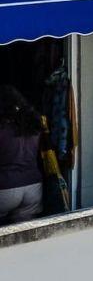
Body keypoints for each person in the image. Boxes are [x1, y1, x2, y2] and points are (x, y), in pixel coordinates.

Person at [0, 85, 45, 225]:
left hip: (6, 187)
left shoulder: (2, 128)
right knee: (25, 233)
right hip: (33, 186)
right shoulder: (34, 125)